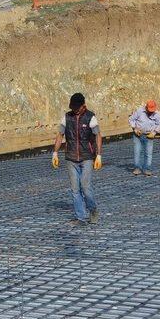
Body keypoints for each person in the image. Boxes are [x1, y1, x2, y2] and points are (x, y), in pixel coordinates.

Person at [52, 93, 103, 225]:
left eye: (77, 107)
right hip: (71, 157)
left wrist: (98, 155)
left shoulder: (91, 118)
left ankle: (93, 210)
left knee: (85, 187)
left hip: (86, 157)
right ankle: (80, 217)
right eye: (73, 107)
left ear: (83, 106)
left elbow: (98, 135)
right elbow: (60, 135)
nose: (74, 110)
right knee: (75, 190)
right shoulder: (66, 118)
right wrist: (55, 153)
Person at [129, 100, 160, 176]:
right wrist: (135, 129)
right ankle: (137, 168)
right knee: (137, 152)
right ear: (146, 108)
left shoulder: (157, 114)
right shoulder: (140, 111)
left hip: (149, 135)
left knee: (148, 153)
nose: (151, 112)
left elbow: (159, 124)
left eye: (152, 110)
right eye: (149, 110)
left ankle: (147, 169)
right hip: (138, 135)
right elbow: (131, 119)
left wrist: (154, 132)